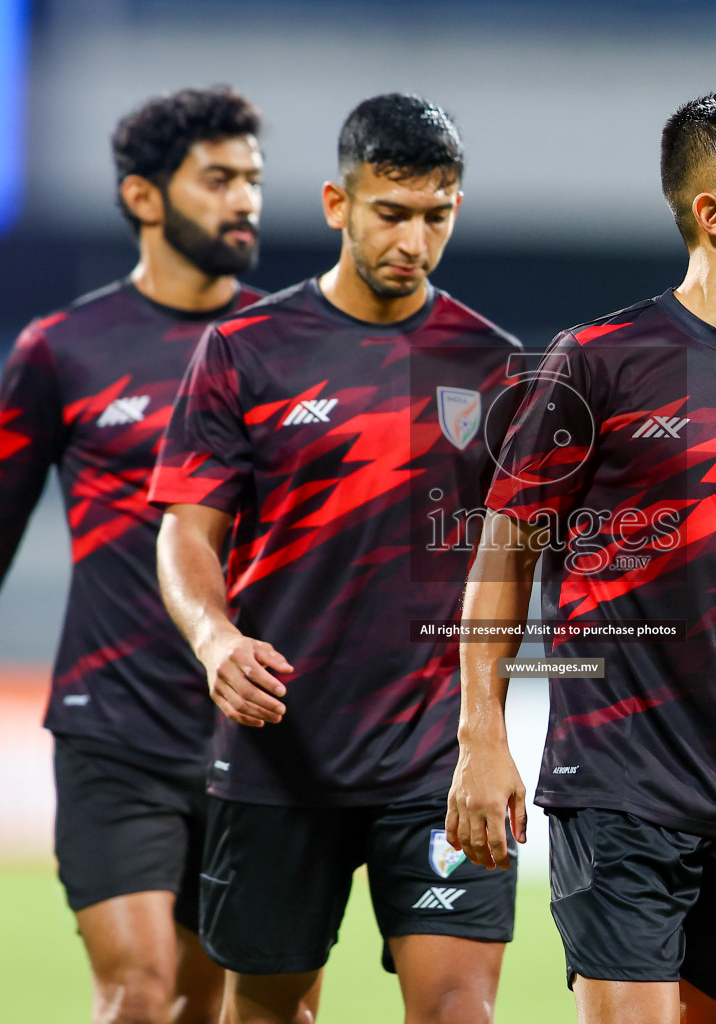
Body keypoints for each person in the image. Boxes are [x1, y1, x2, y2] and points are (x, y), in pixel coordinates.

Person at [447, 89, 716, 1024]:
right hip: (618, 785)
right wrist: (482, 732)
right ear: (714, 216)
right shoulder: (599, 363)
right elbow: (504, 550)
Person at [0, 86, 266, 1024]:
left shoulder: (281, 347)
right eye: (217, 179)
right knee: (138, 988)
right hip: (110, 725)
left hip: (253, 735)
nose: (244, 199)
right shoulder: (64, 351)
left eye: (251, 179)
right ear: (144, 198)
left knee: (213, 1005)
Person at [151, 93, 522, 1024]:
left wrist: (488, 731)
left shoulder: (498, 369)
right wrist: (213, 640)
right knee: (270, 1010)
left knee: (460, 1014)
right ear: (335, 205)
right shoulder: (245, 351)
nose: (414, 241)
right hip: (284, 751)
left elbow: (516, 564)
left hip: (436, 757)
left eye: (436, 217)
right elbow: (186, 530)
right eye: (391, 214)